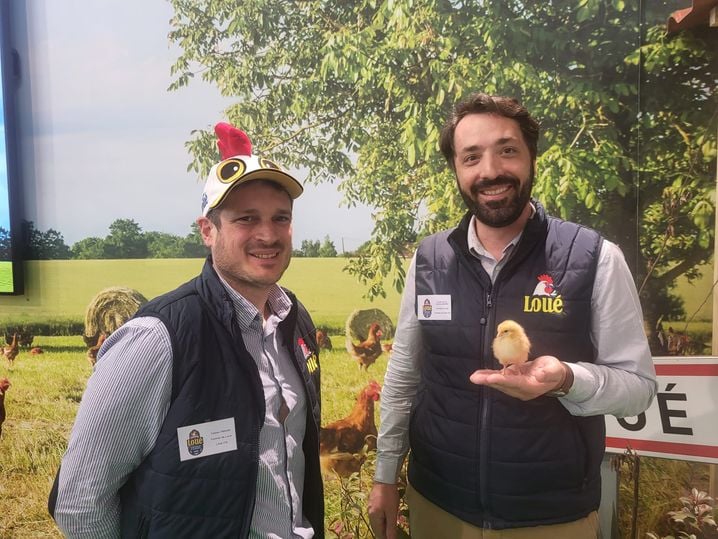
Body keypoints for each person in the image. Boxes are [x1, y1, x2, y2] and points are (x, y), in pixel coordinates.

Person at [367, 93, 656, 538]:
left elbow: (638, 390)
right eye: (471, 157)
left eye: (507, 150)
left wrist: (566, 380)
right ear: (456, 170)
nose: (490, 171)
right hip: (438, 505)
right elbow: (405, 375)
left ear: (531, 157)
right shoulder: (429, 260)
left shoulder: (594, 258)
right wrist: (386, 476)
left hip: (551, 517)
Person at [49, 122, 324, 538]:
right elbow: (79, 500)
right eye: (246, 219)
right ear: (208, 230)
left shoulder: (294, 322)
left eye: (280, 218)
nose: (268, 234)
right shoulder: (158, 338)